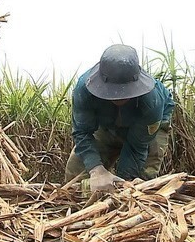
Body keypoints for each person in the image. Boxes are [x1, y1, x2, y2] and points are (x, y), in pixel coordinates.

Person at [65, 44, 175, 192]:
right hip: (106, 126)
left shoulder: (152, 101)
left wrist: (124, 185)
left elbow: (137, 148)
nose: (119, 97)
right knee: (77, 175)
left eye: (125, 92)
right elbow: (82, 133)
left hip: (145, 133)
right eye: (112, 92)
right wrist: (96, 170)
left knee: (138, 182)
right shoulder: (84, 89)